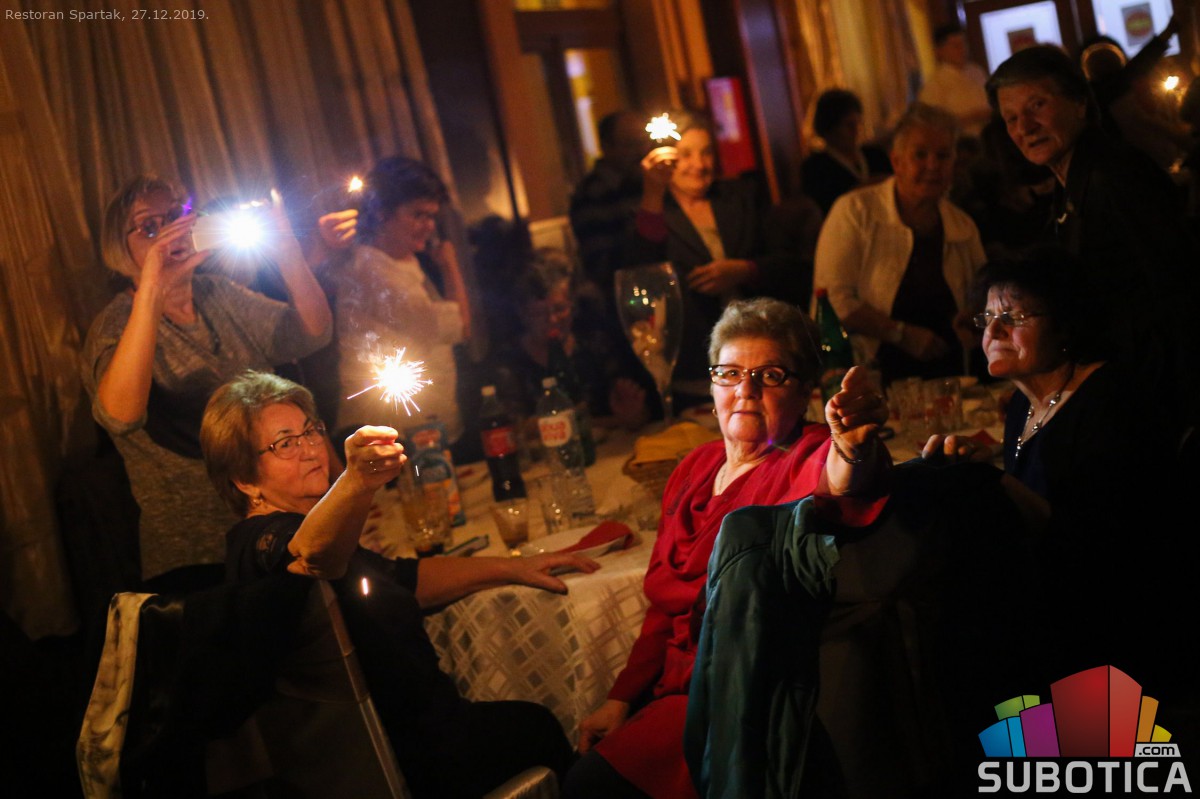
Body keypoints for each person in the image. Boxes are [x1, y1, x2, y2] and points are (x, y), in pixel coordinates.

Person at [200, 371, 597, 797]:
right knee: (540, 727)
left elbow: (402, 578)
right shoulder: (260, 542)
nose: (310, 449)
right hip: (398, 765)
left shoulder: (317, 525)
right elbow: (312, 557)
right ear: (244, 479)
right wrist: (356, 483)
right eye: (285, 443)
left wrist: (513, 567)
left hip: (427, 734)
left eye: (310, 431)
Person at [564, 298, 890, 798]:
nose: (746, 390)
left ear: (804, 389)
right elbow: (663, 608)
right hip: (668, 689)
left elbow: (841, 482)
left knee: (588, 786)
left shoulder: (804, 454)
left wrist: (851, 448)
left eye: (770, 376)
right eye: (730, 373)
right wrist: (620, 698)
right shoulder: (693, 469)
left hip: (737, 698)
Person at [923, 247, 1185, 691]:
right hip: (1048, 605)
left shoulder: (1109, 404)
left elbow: (1101, 548)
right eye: (988, 318)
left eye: (1014, 317)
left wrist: (992, 482)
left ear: (1065, 324)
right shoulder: (1023, 403)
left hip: (1108, 629)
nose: (994, 331)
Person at [82, 174, 332, 590]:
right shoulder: (114, 327)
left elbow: (312, 333)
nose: (169, 233)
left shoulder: (217, 293)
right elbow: (120, 417)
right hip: (195, 555)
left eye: (175, 217)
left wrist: (288, 250)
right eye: (149, 227)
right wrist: (153, 287)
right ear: (119, 247)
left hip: (276, 531)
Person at [987, 44, 1200, 425]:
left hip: (1161, 397)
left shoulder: (1115, 175)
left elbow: (1178, 290)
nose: (1025, 127)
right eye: (1011, 118)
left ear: (1080, 103)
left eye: (1037, 106)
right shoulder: (1070, 183)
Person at [623, 111, 801, 405]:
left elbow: (788, 262)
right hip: (695, 364)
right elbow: (643, 271)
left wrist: (745, 270)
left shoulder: (740, 197)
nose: (699, 165)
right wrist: (653, 191)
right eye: (686, 155)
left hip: (761, 352)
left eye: (706, 153)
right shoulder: (651, 212)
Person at [814, 103, 986, 384]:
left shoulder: (962, 226)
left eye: (943, 156)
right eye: (920, 155)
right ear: (897, 162)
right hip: (870, 377)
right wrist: (901, 334)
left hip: (953, 379)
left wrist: (973, 321)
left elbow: (983, 300)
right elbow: (833, 300)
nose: (933, 165)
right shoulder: (855, 212)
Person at [333, 157, 472, 452]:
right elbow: (461, 328)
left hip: (428, 430)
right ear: (382, 213)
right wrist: (450, 266)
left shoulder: (405, 260)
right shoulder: (369, 269)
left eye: (432, 216)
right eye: (418, 215)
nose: (429, 226)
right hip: (392, 438)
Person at [491, 247, 651, 430]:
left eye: (560, 309)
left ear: (573, 305)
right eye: (539, 313)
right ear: (523, 314)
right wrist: (610, 422)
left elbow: (640, 413)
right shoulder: (510, 362)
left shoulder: (596, 344)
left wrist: (633, 414)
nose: (552, 320)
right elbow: (515, 429)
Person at [801, 88, 893, 214]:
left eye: (858, 123)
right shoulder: (815, 167)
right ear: (830, 128)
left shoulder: (875, 155)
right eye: (849, 125)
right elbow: (826, 205)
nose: (856, 130)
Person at [918, 22, 992, 137]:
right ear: (940, 51)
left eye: (963, 43)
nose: (962, 49)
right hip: (962, 140)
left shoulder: (977, 71)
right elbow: (932, 123)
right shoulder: (935, 84)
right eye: (955, 45)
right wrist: (973, 117)